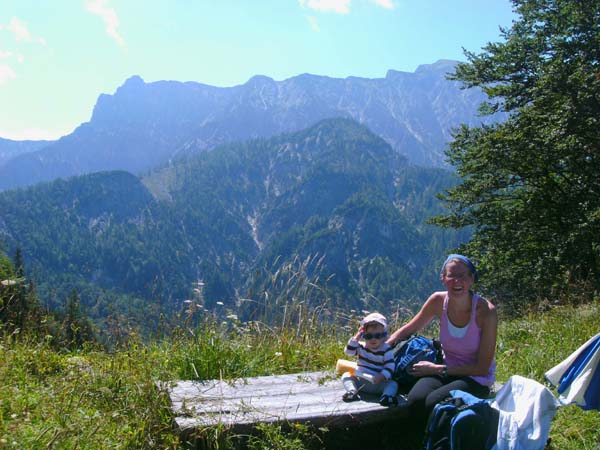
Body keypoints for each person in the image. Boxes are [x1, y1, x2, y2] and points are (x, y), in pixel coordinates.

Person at [386, 254, 497, 422]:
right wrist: (382, 349)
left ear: (472, 278)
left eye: (463, 276)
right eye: (451, 276)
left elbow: (482, 368)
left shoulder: (486, 311)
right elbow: (410, 328)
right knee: (415, 400)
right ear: (443, 279)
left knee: (433, 403)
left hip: (475, 378)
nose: (457, 281)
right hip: (445, 367)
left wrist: (436, 369)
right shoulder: (438, 301)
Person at [342, 312, 399, 406]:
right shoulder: (361, 347)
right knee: (346, 376)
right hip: (361, 381)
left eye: (378, 336)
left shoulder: (386, 350)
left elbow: (390, 367)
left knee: (393, 384)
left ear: (384, 336)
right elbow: (349, 352)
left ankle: (386, 396)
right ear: (363, 336)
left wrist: (381, 376)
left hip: (378, 383)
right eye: (369, 336)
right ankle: (352, 392)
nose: (373, 339)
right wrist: (356, 338)